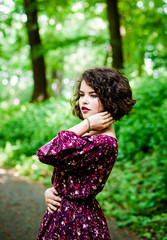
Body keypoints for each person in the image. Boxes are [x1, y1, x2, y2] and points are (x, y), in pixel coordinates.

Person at [36, 67, 137, 240]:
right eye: (82, 94)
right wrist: (54, 190)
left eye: (94, 95)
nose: (84, 101)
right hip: (67, 213)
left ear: (110, 99)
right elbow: (63, 167)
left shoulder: (103, 143)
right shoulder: (93, 136)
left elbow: (45, 153)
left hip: (75, 221)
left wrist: (86, 124)